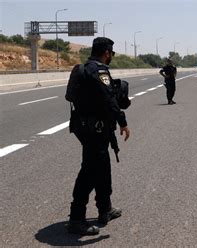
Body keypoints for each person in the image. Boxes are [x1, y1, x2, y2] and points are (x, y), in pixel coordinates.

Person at [66, 37, 131, 235]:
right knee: (90, 171)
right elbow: (109, 99)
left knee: (102, 168)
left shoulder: (84, 68)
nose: (111, 57)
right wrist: (123, 121)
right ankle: (76, 218)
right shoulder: (100, 71)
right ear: (106, 53)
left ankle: (105, 209)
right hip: (96, 129)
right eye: (111, 53)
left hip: (85, 127)